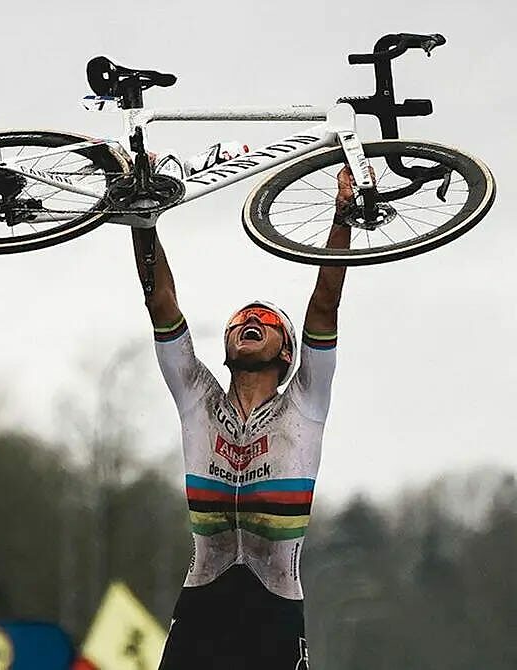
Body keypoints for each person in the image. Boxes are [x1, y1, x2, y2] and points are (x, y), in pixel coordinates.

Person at [133, 167, 356, 670]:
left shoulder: (305, 401)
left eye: (268, 321)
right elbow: (160, 303)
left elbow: (325, 306)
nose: (251, 321)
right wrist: (142, 222)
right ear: (228, 348)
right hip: (203, 600)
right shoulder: (196, 397)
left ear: (288, 354)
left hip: (273, 605)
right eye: (240, 320)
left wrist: (342, 216)